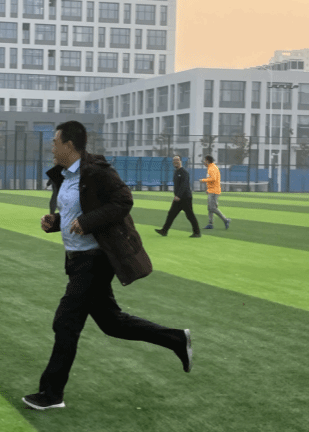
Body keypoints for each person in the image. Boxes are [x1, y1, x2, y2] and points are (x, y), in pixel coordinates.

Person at [22, 121, 192, 411]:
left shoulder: (97, 172)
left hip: (95, 261)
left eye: (55, 142)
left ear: (69, 146)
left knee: (65, 322)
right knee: (112, 323)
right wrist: (57, 222)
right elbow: (78, 212)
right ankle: (176, 339)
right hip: (76, 261)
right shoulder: (66, 176)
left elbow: (123, 201)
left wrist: (87, 222)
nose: (51, 148)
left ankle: (51, 394)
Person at [155, 155, 201, 238]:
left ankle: (197, 232)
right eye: (174, 160)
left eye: (177, 160)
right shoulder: (176, 172)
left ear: (181, 161)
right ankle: (164, 231)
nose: (175, 162)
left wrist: (178, 196)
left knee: (190, 215)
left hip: (185, 198)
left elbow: (184, 185)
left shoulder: (184, 172)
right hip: (178, 199)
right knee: (171, 214)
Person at [200, 155, 230, 230]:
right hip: (212, 190)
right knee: (210, 208)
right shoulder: (211, 167)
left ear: (207, 161)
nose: (204, 162)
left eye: (204, 160)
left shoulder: (212, 168)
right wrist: (208, 189)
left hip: (214, 191)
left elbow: (213, 179)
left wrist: (203, 180)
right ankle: (210, 223)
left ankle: (225, 220)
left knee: (212, 208)